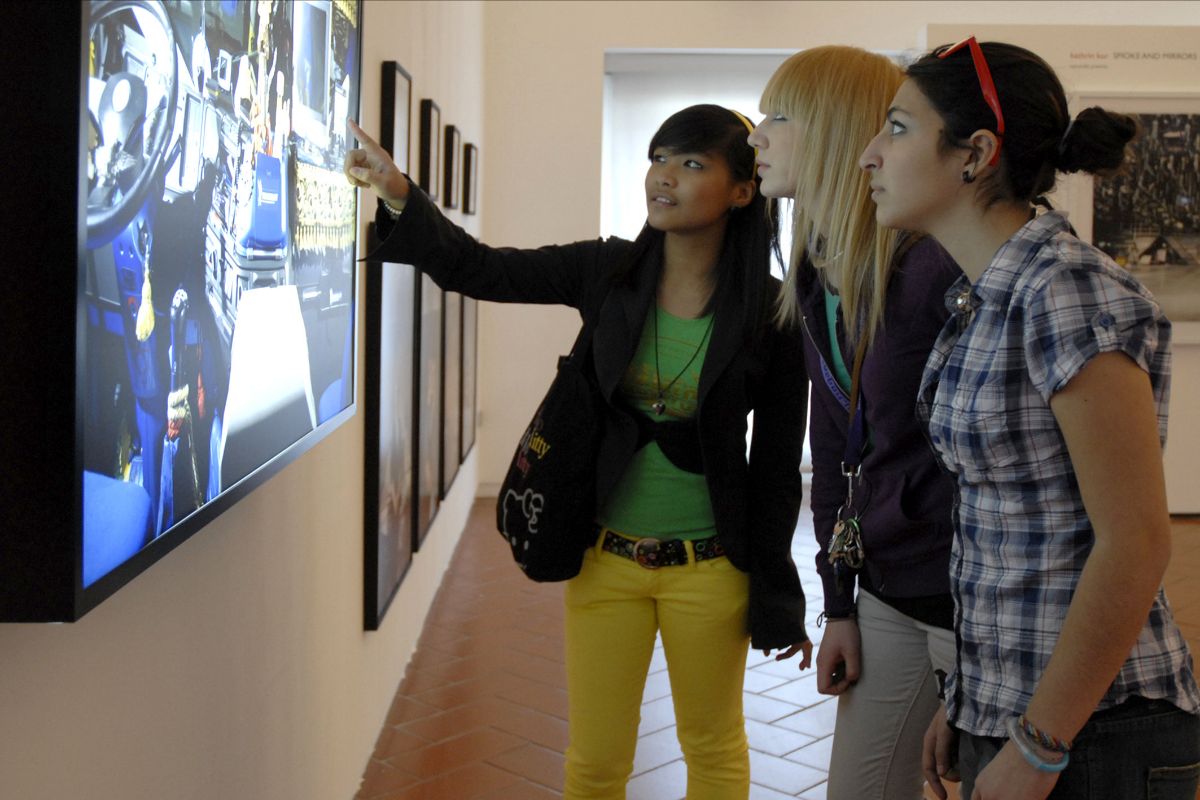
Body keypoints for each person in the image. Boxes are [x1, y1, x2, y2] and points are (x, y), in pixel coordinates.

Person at [344, 104, 812, 800]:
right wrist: (399, 193)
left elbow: (776, 468)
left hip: (710, 570)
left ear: (743, 190)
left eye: (691, 163)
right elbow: (482, 269)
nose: (665, 178)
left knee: (713, 750)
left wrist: (779, 592)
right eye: (659, 158)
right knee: (594, 763)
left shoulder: (772, 313)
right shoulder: (608, 272)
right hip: (607, 563)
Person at [858, 37, 1200, 800]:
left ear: (975, 153)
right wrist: (971, 704)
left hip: (1098, 732)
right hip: (1017, 712)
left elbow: (1136, 541)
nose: (870, 156)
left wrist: (1041, 743)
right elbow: (1003, 530)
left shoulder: (1066, 291)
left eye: (900, 128)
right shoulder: (984, 297)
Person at [748, 46, 963, 799]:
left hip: (973, 598)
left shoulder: (934, 268)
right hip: (887, 591)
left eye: (778, 116)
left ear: (839, 130)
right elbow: (836, 449)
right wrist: (838, 602)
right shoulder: (816, 269)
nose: (757, 136)